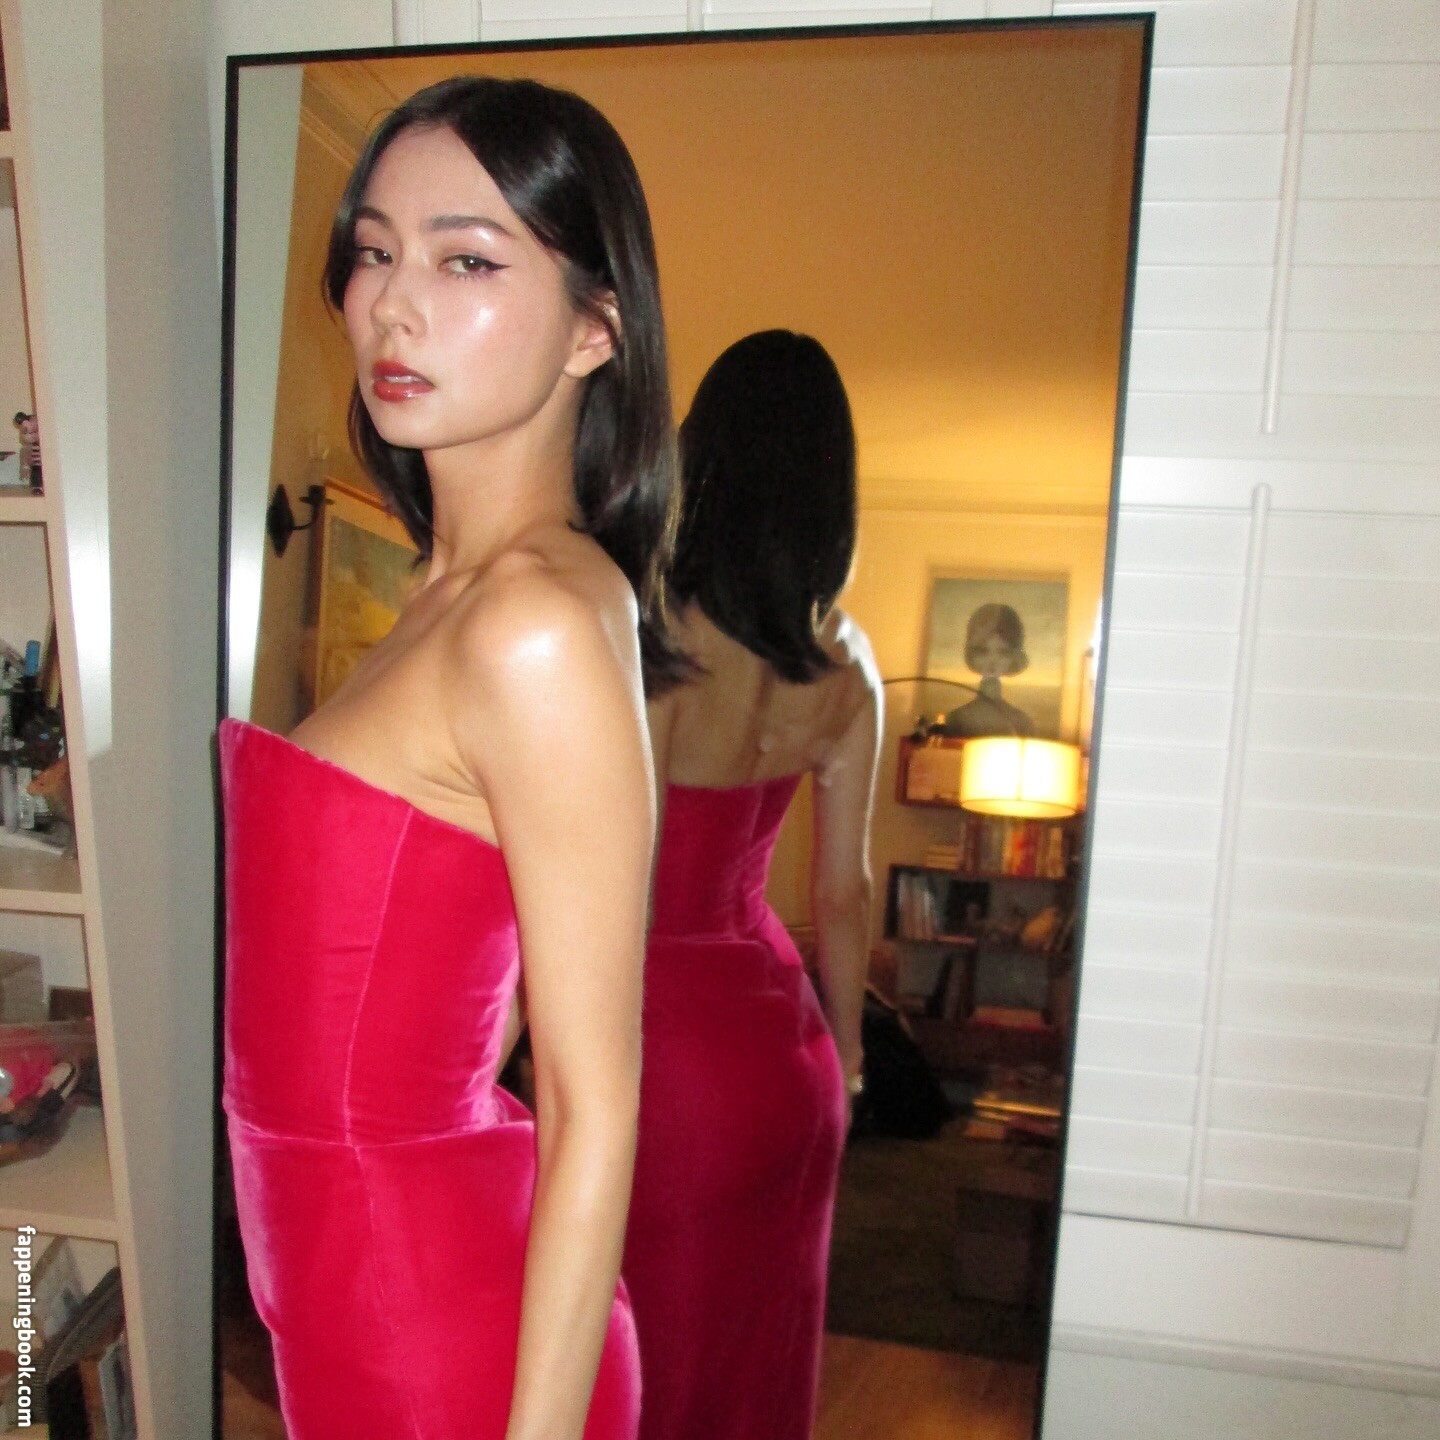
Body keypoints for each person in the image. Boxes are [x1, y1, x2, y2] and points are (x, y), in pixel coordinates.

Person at [218, 75, 688, 1440]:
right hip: (360, 1290)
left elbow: (597, 1103)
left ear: (597, 327)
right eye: (375, 251)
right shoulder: (453, 596)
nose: (394, 305)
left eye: (467, 259)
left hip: (438, 1338)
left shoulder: (533, 622)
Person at [621, 330, 882, 1440]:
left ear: (704, 455)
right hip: (790, 1057)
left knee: (654, 1362)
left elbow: (621, 886)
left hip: (668, 1053)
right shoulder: (849, 665)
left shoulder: (653, 638)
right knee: (756, 1370)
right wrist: (851, 1057)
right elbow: (845, 893)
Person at [940, 601, 1035, 738]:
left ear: (1014, 656)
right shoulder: (956, 719)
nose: (993, 661)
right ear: (972, 653)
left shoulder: (1022, 722)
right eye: (983, 651)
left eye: (1003, 652)